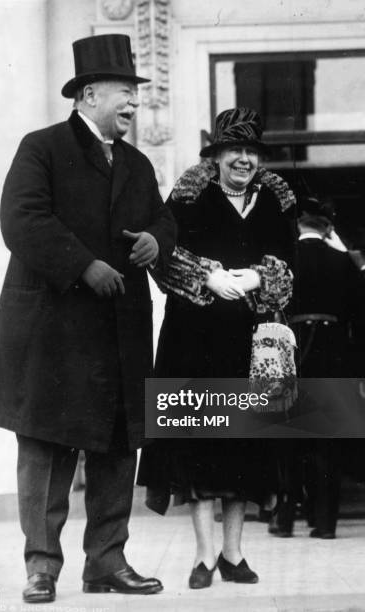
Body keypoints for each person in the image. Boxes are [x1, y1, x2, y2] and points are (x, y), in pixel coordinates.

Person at [0, 34, 176, 602]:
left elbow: (162, 220)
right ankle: (41, 568)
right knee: (45, 449)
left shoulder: (136, 164)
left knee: (116, 449)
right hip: (54, 333)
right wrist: (84, 265)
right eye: (125, 93)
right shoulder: (40, 147)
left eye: (137, 95)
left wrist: (156, 244)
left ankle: (107, 563)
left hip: (119, 331)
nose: (135, 104)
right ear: (89, 94)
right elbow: (21, 220)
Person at [138, 107, 295, 589]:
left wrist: (258, 276)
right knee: (200, 445)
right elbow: (160, 259)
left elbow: (291, 266)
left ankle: (234, 554)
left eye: (251, 152)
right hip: (195, 342)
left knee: (244, 447)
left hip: (253, 346)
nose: (243, 160)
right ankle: (204, 557)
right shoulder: (187, 200)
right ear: (217, 156)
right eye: (234, 151)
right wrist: (206, 275)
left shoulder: (276, 202)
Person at [288, 197, 365, 539]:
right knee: (328, 441)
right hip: (335, 355)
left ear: (298, 226)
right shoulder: (344, 262)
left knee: (292, 437)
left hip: (291, 354)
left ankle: (286, 515)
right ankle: (325, 524)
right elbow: (364, 318)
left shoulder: (283, 262)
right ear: (326, 228)